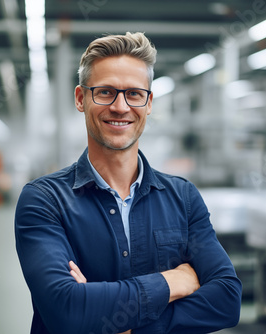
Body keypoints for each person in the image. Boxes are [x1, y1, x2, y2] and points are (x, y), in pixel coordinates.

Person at [15, 32, 242, 334]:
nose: (121, 107)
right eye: (106, 92)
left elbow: (227, 300)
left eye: (134, 94)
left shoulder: (183, 197)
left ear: (149, 103)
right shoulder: (44, 200)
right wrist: (172, 282)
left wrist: (122, 324)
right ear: (81, 99)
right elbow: (65, 309)